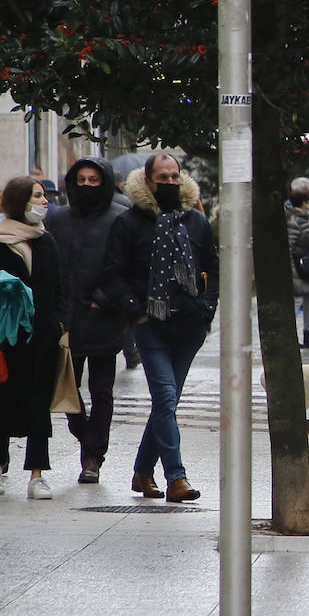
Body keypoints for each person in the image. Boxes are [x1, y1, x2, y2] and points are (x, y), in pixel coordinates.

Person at [100, 153, 218, 503]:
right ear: (147, 180)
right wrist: (137, 312)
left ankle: (141, 472)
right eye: (161, 177)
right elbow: (112, 274)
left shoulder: (196, 222)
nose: (169, 182)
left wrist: (207, 308)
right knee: (165, 398)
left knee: (167, 403)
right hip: (149, 325)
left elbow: (214, 267)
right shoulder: (128, 223)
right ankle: (176, 478)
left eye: (174, 176)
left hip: (189, 326)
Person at [0, 176, 63, 499]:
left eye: (44, 196)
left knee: (39, 405)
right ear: (21, 200)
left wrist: (60, 325)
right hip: (4, 339)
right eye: (37, 196)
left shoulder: (46, 241)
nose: (44, 202)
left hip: (42, 339)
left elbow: (59, 287)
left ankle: (38, 475)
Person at [46, 157, 129, 484]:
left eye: (94, 180)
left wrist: (105, 299)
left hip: (103, 318)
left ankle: (93, 456)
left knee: (102, 390)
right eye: (81, 179)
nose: (87, 186)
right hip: (66, 319)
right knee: (65, 387)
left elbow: (128, 267)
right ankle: (85, 434)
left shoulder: (120, 218)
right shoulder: (59, 219)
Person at [287, 187, 309, 349]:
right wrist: (292, 269)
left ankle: (308, 334)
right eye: (308, 201)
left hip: (307, 266)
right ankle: (293, 335)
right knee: (299, 300)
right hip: (298, 266)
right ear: (303, 202)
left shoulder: (306, 217)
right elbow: (290, 245)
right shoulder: (294, 220)